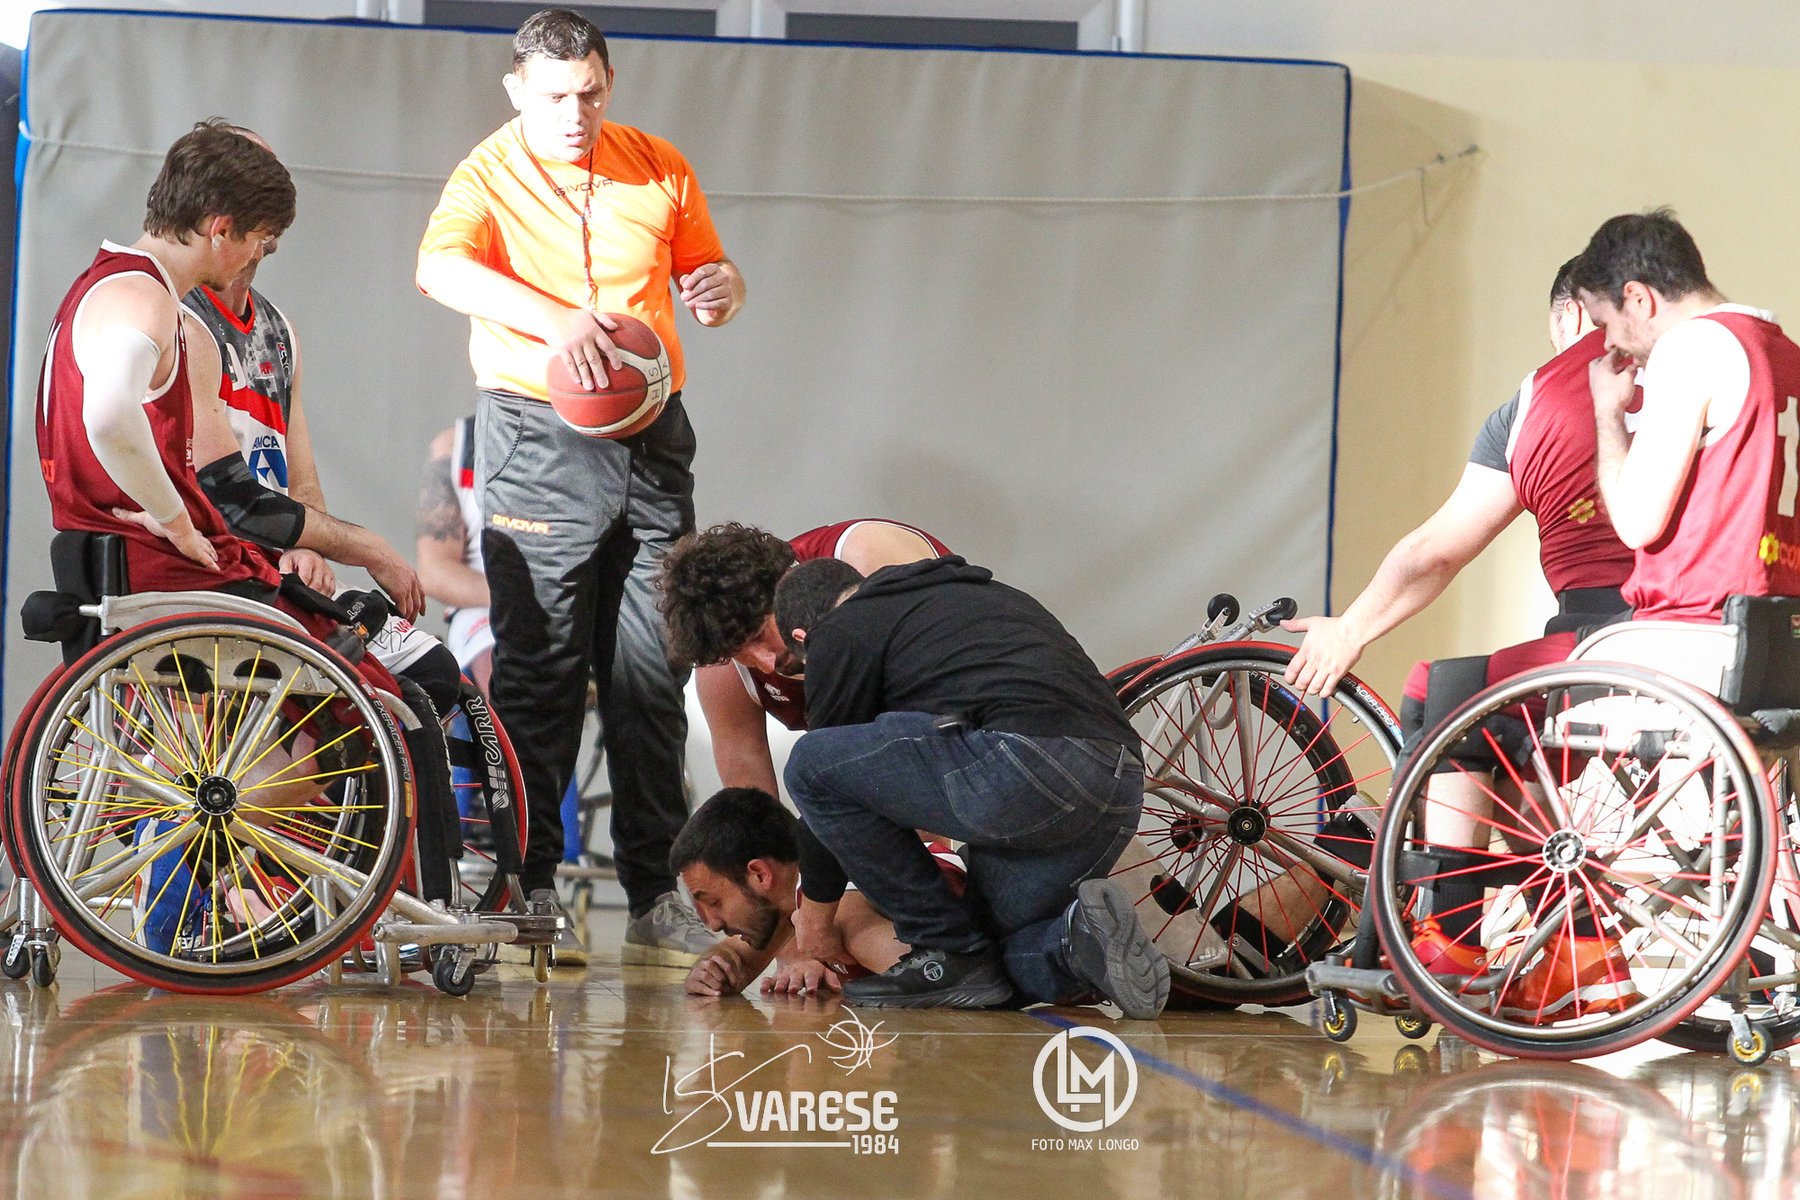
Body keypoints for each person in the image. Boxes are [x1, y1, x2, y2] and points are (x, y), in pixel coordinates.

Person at [417, 8, 744, 967]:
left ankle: (656, 892)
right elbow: (439, 268)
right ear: (518, 90)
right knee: (542, 674)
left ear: (610, 85)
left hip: (653, 438)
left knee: (654, 674)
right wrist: (556, 319)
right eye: (556, 95)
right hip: (539, 437)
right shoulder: (486, 173)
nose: (574, 112)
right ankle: (528, 885)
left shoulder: (659, 165)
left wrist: (721, 290)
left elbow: (708, 273)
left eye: (590, 93)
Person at [1281, 258, 1635, 992]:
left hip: (1614, 632)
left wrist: (1350, 628)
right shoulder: (1697, 369)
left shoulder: (1538, 399)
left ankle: (1455, 932)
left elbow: (1434, 553)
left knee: (1441, 691)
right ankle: (1579, 942)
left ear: (1570, 314)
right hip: (1724, 627)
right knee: (1520, 729)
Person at [772, 556, 1168, 1017]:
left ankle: (941, 945)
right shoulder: (982, 597)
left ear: (803, 637)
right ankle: (1075, 941)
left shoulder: (839, 630)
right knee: (983, 972)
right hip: (1120, 783)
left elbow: (828, 787)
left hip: (1030, 765)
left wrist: (815, 916)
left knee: (808, 764)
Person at [1575, 208, 1800, 622]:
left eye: (1603, 322)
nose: (1607, 343)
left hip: (1695, 624)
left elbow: (1636, 522)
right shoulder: (1787, 353)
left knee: (1520, 660)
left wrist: (1607, 413)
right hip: (1780, 624)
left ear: (1638, 299)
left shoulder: (1690, 347)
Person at [658, 520, 949, 795]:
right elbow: (754, 808)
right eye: (741, 655)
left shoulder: (866, 557)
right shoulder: (723, 671)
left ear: (783, 584)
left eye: (759, 635)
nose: (767, 664)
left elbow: (948, 678)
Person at [671, 786, 968, 998]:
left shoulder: (842, 914)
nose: (713, 924)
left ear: (760, 874)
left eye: (715, 902)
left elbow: (953, 982)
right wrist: (712, 971)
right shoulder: (797, 903)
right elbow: (734, 956)